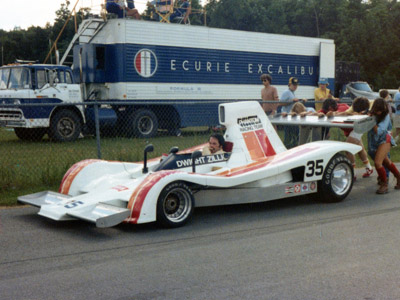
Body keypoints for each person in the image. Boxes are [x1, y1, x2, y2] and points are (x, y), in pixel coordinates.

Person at [333, 97, 373, 179]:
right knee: (360, 148)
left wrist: (355, 114)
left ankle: (352, 172)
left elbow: (363, 116)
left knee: (348, 149)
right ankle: (369, 168)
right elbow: (346, 113)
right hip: (357, 126)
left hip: (361, 126)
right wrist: (336, 114)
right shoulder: (352, 107)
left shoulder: (371, 107)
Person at [367, 98, 400, 194]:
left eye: (381, 110)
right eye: (377, 109)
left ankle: (384, 184)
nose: (379, 112)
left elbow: (379, 131)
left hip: (385, 139)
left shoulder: (386, 117)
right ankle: (398, 177)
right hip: (375, 141)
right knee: (386, 162)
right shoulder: (371, 114)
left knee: (378, 163)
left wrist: (372, 121)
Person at [280, 77, 306, 148]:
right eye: (293, 85)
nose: (295, 86)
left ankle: (294, 146)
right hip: (287, 116)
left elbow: (295, 103)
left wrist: (301, 100)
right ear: (289, 84)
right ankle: (286, 147)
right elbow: (280, 103)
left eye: (296, 85)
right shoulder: (286, 92)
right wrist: (291, 100)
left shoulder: (292, 93)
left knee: (295, 134)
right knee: (288, 135)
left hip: (293, 116)